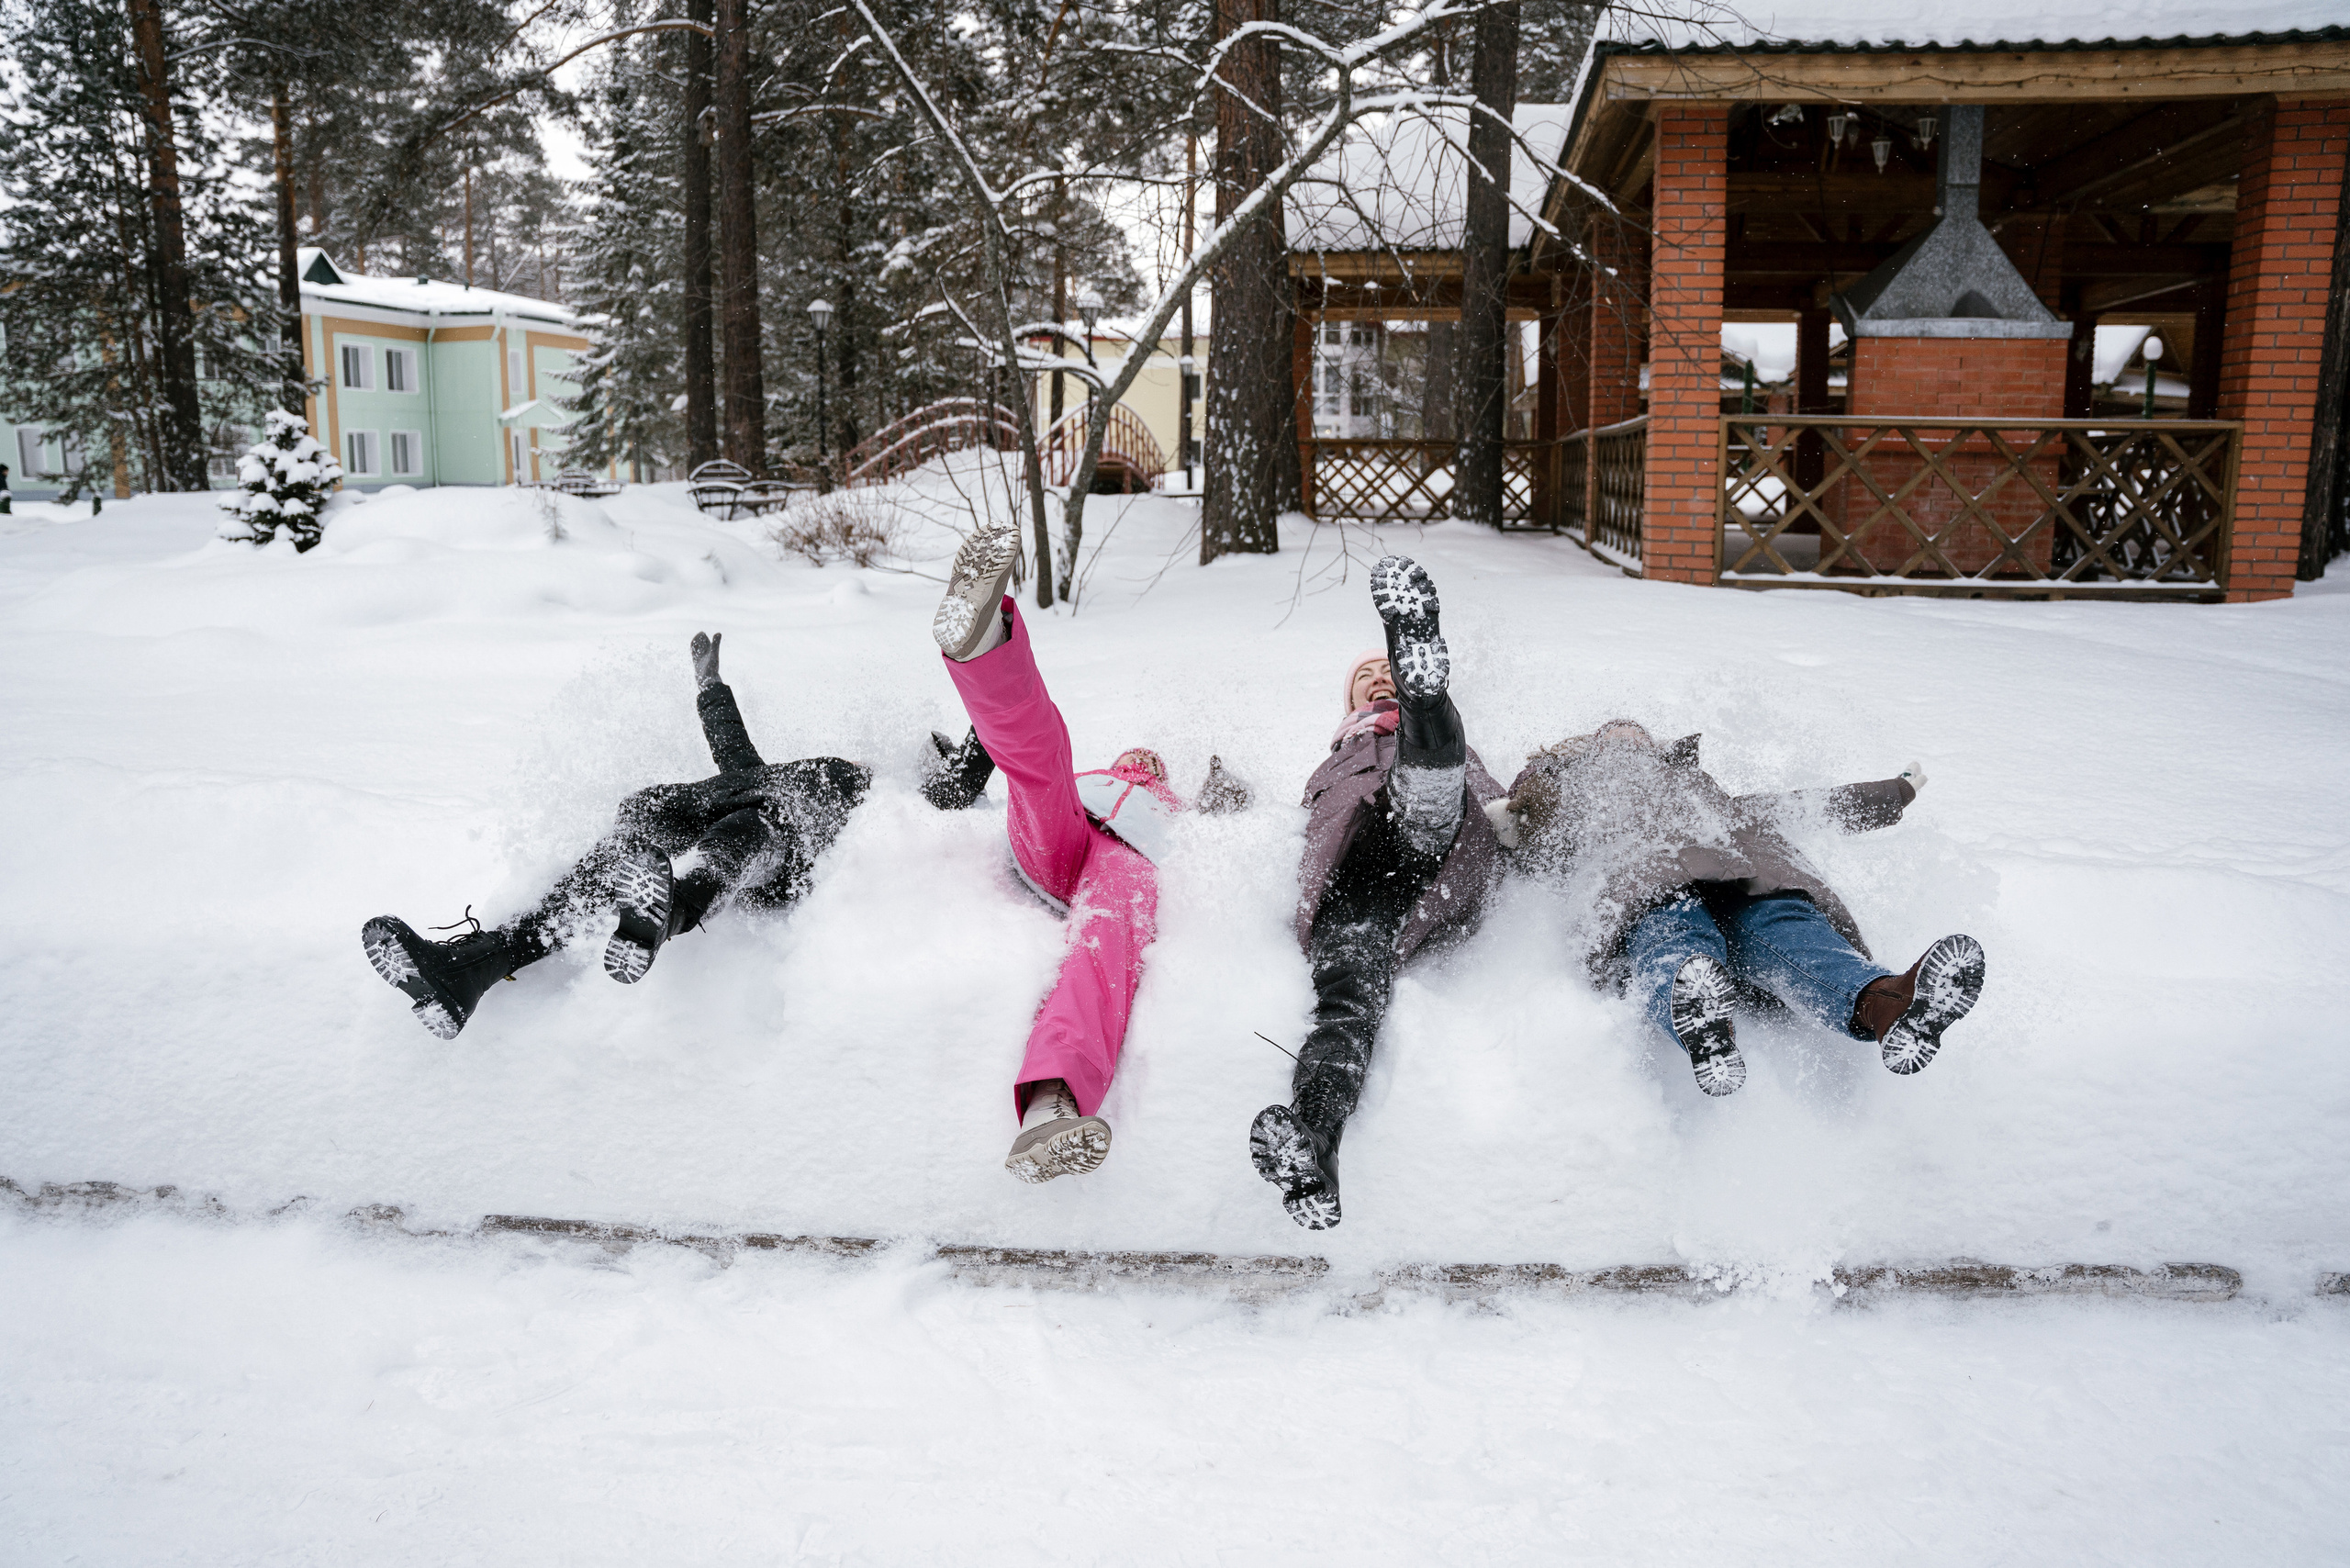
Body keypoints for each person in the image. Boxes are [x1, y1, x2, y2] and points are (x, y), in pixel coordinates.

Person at [361, 630, 994, 1038]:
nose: (921, 752)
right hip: (723, 813)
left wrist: (992, 694)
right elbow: (733, 750)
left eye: (934, 753)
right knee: (648, 810)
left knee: (752, 827)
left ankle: (665, 914)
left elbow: (972, 773)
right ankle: (468, 969)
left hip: (783, 857)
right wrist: (709, 685)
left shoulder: (900, 805)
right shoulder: (801, 772)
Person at [931, 523, 1248, 1184]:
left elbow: (1234, 831)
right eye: (1135, 756)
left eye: (1150, 761)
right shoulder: (1097, 778)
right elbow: (1038, 776)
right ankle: (985, 643)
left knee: (1104, 939)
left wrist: (1224, 791)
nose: (1140, 760)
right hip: (1061, 834)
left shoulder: (1173, 808)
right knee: (1039, 759)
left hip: (1125, 861)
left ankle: (1049, 1109)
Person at [1499, 721, 1984, 1095]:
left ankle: (1886, 1002)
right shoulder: (1564, 787)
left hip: (1747, 868)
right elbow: (1513, 831)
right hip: (1642, 878)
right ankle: (1704, 1022)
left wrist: (1892, 793)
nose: (1631, 738)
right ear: (1586, 749)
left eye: (1638, 733)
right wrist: (1507, 812)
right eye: (1617, 733)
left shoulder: (1701, 789)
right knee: (1671, 934)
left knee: (1791, 931)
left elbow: (1802, 806)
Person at [1249, 555, 1509, 1231]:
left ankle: (1426, 693)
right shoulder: (1335, 754)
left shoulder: (1448, 751)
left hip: (1432, 843)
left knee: (1425, 791)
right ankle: (1316, 1142)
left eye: (1387, 671)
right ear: (1349, 703)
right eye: (1366, 679)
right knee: (1346, 1003)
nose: (1374, 682)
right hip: (1357, 884)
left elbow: (1500, 805)